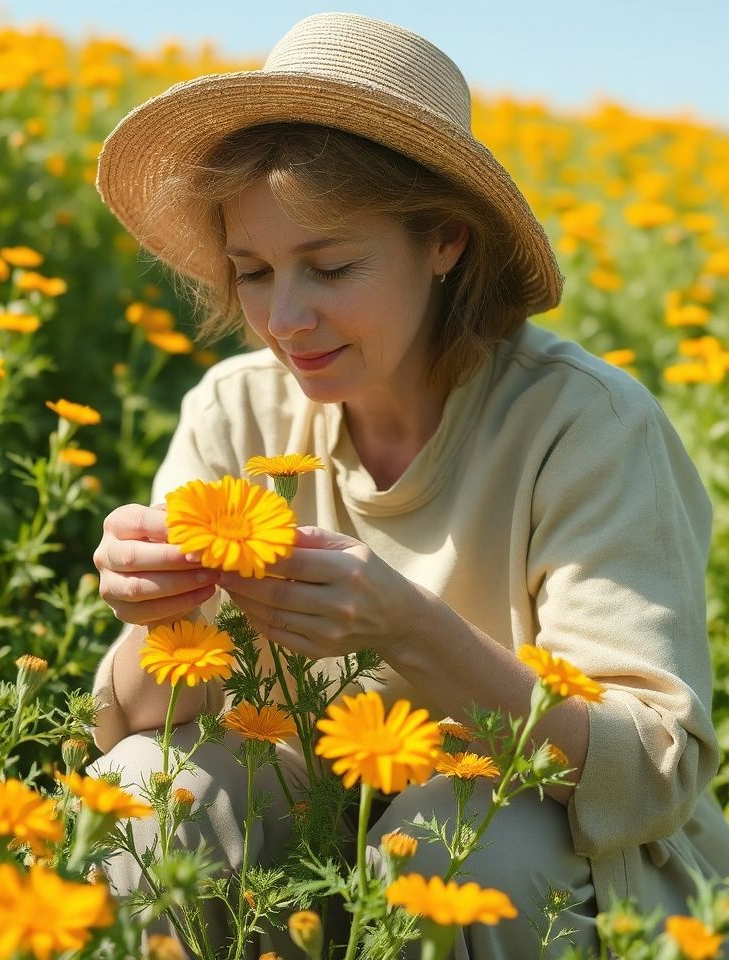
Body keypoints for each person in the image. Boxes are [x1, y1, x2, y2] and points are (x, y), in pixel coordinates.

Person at [85, 11, 729, 959]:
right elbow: (134, 727)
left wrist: (406, 627)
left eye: (333, 265)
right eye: (252, 271)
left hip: (558, 869)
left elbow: (651, 773)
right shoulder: (235, 410)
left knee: (457, 847)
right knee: (147, 791)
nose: (285, 319)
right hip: (315, 836)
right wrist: (155, 610)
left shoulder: (585, 426)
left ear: (447, 243)